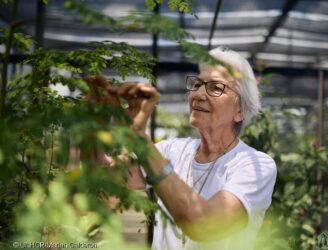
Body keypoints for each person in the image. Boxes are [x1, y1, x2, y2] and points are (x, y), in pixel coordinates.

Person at [84, 47, 277, 250]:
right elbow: (101, 176)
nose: (199, 94)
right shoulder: (173, 150)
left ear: (240, 110)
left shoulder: (255, 165)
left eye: (215, 88)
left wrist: (139, 140)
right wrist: (92, 125)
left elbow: (205, 225)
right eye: (197, 84)